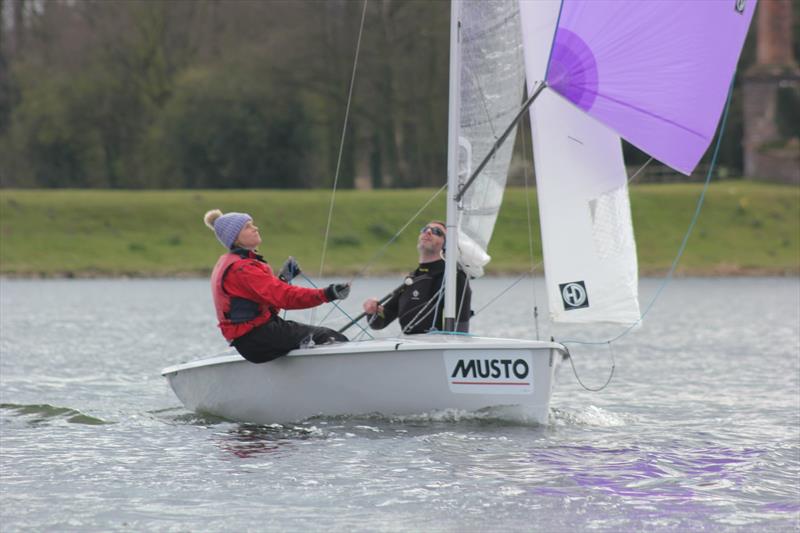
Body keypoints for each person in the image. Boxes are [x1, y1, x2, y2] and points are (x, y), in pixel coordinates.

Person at [204, 209, 350, 363]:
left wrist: (282, 279)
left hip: (252, 339)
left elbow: (270, 300)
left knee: (316, 339)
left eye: (252, 224)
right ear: (235, 239)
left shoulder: (236, 264)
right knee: (331, 338)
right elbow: (284, 297)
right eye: (248, 227)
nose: (255, 228)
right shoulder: (242, 269)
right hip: (258, 336)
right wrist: (327, 294)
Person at [362, 220, 472, 334]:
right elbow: (379, 323)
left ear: (446, 245)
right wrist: (372, 311)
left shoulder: (454, 277)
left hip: (437, 347)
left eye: (437, 232)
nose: (428, 231)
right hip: (411, 346)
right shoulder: (412, 279)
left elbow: (461, 330)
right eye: (425, 229)